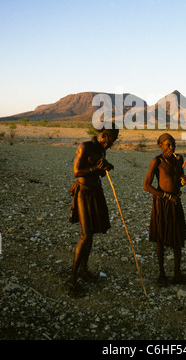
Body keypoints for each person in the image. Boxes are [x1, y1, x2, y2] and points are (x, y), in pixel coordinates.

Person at [65, 125, 119, 293]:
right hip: (83, 192)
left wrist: (106, 166)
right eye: (110, 141)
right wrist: (97, 168)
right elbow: (76, 172)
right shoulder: (85, 147)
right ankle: (72, 278)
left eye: (113, 142)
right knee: (85, 234)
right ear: (103, 136)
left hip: (96, 191)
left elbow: (100, 172)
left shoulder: (102, 150)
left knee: (92, 232)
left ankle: (83, 269)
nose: (110, 145)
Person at [144, 133, 186, 286]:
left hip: (175, 202)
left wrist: (184, 181)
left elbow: (179, 179)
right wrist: (165, 196)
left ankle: (178, 274)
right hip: (162, 203)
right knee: (160, 238)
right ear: (160, 146)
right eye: (168, 145)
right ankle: (162, 274)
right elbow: (147, 186)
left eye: (173, 144)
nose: (171, 147)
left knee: (177, 238)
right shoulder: (156, 161)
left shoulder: (179, 160)